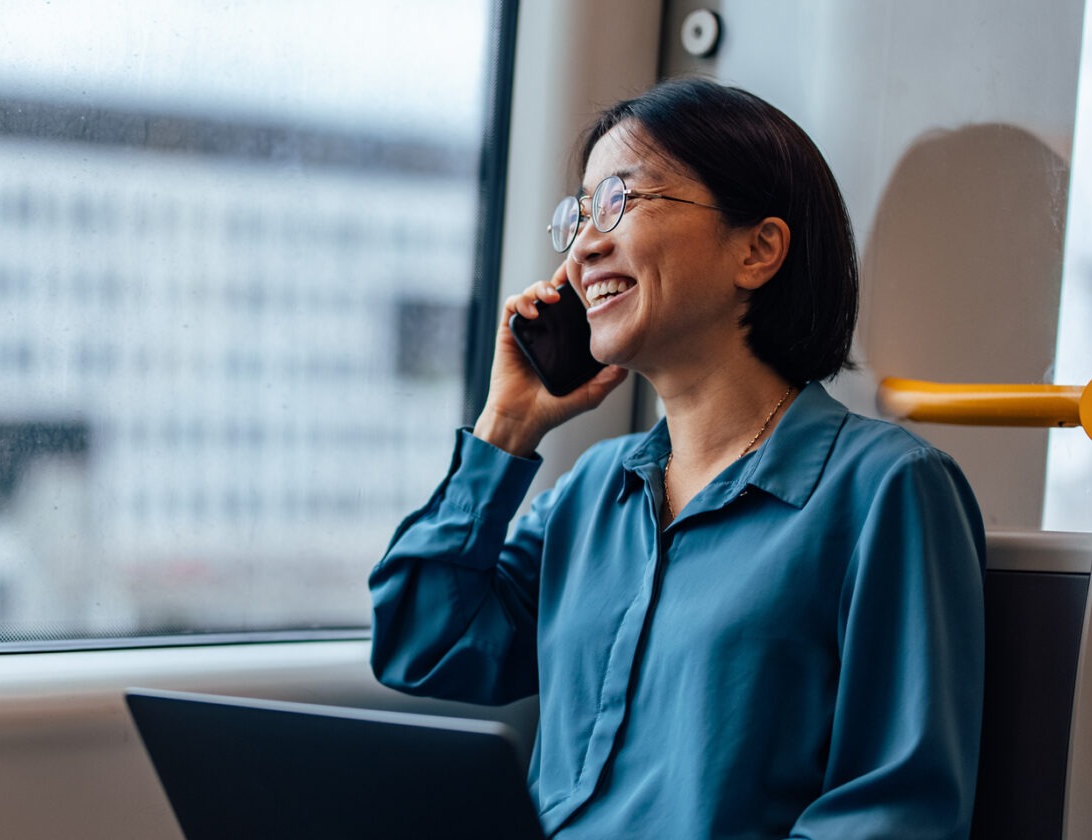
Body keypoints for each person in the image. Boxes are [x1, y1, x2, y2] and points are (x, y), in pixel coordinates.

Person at [368, 77, 986, 839]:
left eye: (620, 203)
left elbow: (890, 816)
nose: (585, 246)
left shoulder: (887, 491)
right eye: (581, 215)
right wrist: (506, 426)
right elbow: (423, 647)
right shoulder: (593, 489)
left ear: (758, 249)